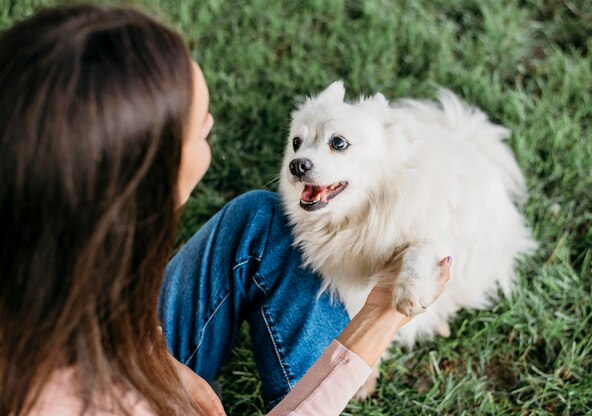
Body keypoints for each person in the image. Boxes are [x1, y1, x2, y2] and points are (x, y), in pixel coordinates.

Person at [0, 5, 450, 416]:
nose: (211, 124)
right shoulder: (76, 402)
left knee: (260, 220)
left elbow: (104, 318)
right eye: (198, 127)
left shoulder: (45, 239)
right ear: (140, 176)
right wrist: (373, 323)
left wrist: (161, 361)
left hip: (115, 349)